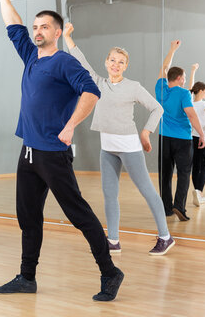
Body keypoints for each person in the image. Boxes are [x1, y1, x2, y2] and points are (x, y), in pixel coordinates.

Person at [0, 0, 123, 302]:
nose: (37, 31)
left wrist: (70, 126)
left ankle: (110, 272)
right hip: (29, 152)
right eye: (35, 27)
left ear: (58, 32)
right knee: (28, 217)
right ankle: (27, 277)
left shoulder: (64, 61)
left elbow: (92, 93)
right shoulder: (30, 54)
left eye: (45, 27)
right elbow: (13, 22)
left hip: (53, 153)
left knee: (78, 213)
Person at [63, 23, 174, 255]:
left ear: (126, 66)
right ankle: (113, 240)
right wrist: (67, 37)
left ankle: (165, 236)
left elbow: (157, 109)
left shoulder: (133, 87)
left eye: (121, 62)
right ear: (106, 62)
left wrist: (145, 132)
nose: (116, 65)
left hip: (129, 146)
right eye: (112, 60)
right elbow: (80, 61)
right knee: (109, 194)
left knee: (147, 191)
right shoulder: (98, 83)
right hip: (108, 147)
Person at [156, 40, 205, 222]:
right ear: (178, 78)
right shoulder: (184, 93)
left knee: (165, 174)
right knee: (184, 173)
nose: (185, 80)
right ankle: (179, 206)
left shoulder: (160, 88)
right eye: (184, 77)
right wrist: (201, 134)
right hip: (182, 140)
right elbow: (192, 116)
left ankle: (166, 208)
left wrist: (172, 50)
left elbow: (165, 66)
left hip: (164, 138)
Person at [190, 81, 205, 206]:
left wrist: (193, 70)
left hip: (193, 137)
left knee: (196, 165)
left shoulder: (190, 103)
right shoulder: (204, 103)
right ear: (200, 91)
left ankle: (197, 192)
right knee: (204, 165)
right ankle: (199, 193)